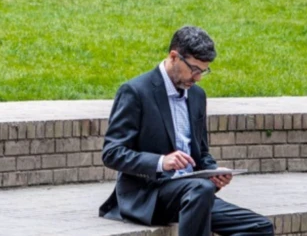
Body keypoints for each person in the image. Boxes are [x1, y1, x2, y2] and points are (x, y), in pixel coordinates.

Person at [99, 26, 274, 236]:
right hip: (150, 194)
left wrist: (214, 174)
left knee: (260, 228)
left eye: (203, 71)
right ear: (174, 57)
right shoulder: (136, 92)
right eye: (194, 69)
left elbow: (201, 152)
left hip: (195, 194)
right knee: (200, 189)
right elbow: (112, 152)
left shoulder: (197, 96)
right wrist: (161, 162)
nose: (198, 77)